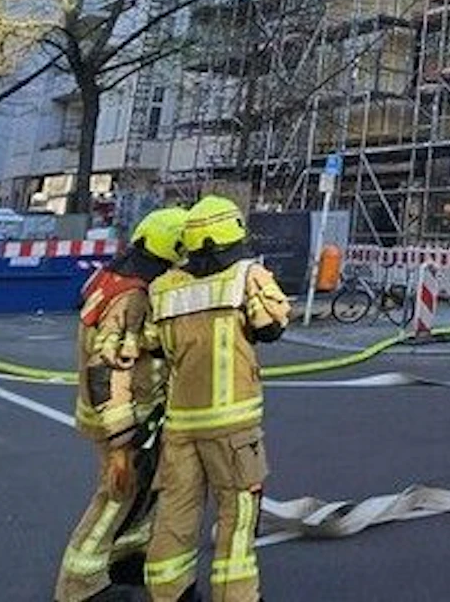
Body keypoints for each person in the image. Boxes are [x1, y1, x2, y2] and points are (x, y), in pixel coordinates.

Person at [143, 195, 290, 602]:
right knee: (237, 513)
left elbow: (154, 346)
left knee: (175, 510)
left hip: (181, 424)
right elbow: (272, 327)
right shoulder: (247, 276)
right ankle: (236, 595)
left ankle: (169, 592)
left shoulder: (163, 287)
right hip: (233, 425)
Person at [55, 206, 187, 602]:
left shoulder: (117, 277)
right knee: (117, 494)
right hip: (124, 417)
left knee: (143, 492)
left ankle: (127, 557)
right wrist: (120, 443)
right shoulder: (133, 296)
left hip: (133, 414)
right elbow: (106, 370)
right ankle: (79, 586)